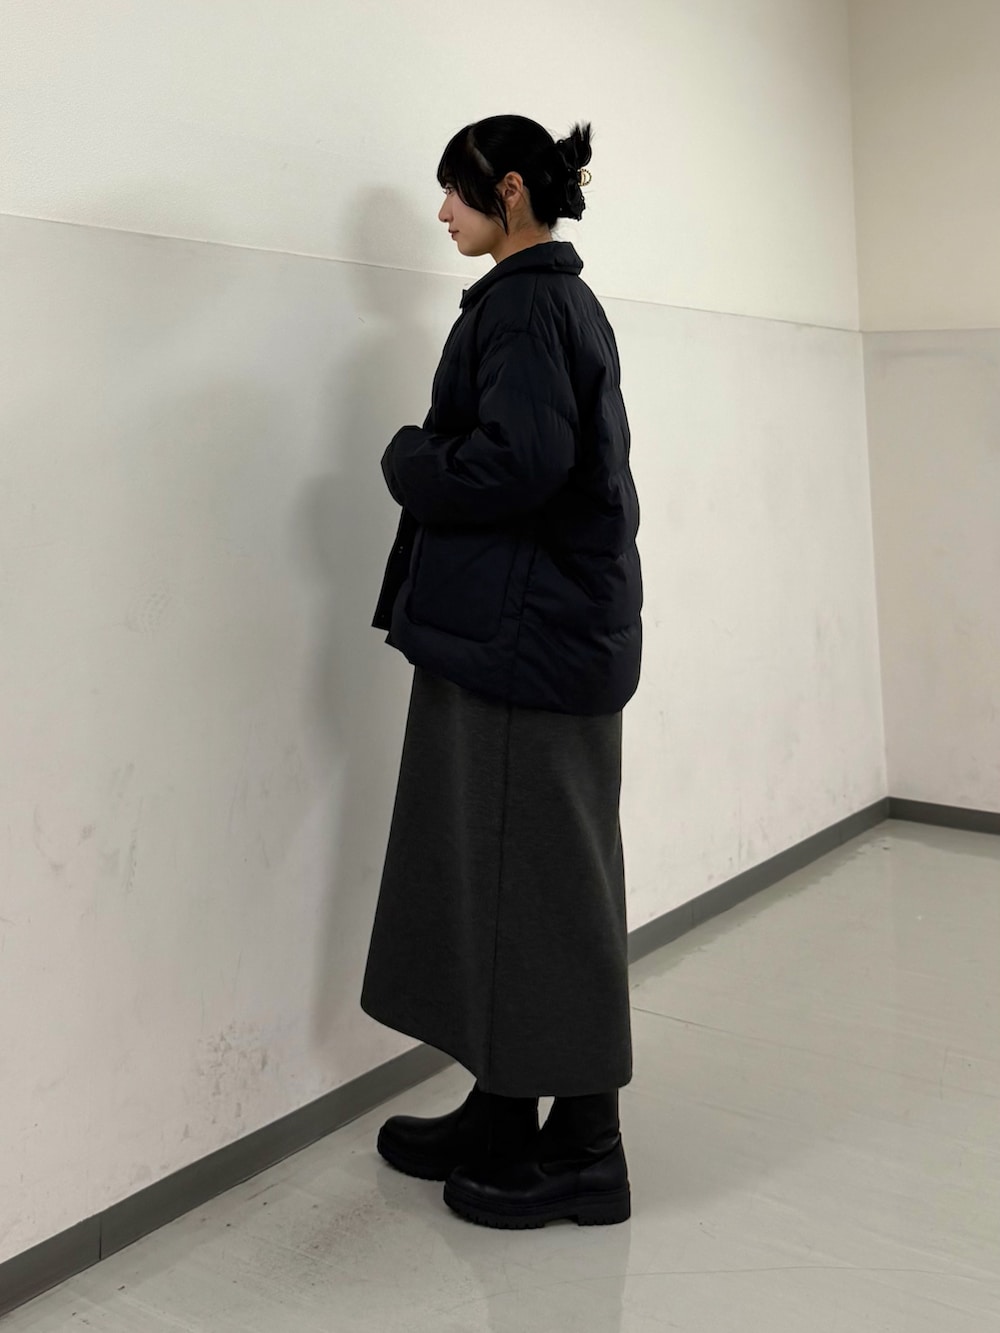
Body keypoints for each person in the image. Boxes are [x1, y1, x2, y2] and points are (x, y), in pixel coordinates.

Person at [360, 115, 643, 1229]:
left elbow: (521, 462)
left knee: (545, 891)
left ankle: (587, 1149)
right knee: (510, 883)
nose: (442, 212)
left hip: (531, 642)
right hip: (527, 633)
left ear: (511, 190)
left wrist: (409, 459)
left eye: (455, 192)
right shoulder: (541, 300)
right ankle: (504, 1108)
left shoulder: (527, 305)